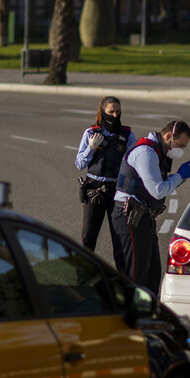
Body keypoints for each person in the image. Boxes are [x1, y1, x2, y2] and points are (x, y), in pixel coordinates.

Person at [111, 120, 190, 291]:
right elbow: (158, 190)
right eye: (180, 145)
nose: (181, 151)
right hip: (129, 216)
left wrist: (178, 177)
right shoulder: (145, 153)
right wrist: (179, 176)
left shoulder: (157, 152)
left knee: (153, 273)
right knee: (136, 275)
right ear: (168, 136)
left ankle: (151, 312)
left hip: (143, 216)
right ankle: (134, 315)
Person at [76, 96, 136, 270]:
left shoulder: (127, 135)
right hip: (94, 191)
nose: (115, 115)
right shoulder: (90, 134)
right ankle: (83, 278)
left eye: (118, 111)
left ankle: (123, 282)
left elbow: (133, 163)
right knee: (88, 237)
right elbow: (79, 163)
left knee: (119, 240)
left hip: (117, 191)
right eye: (111, 112)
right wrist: (91, 147)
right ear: (103, 112)